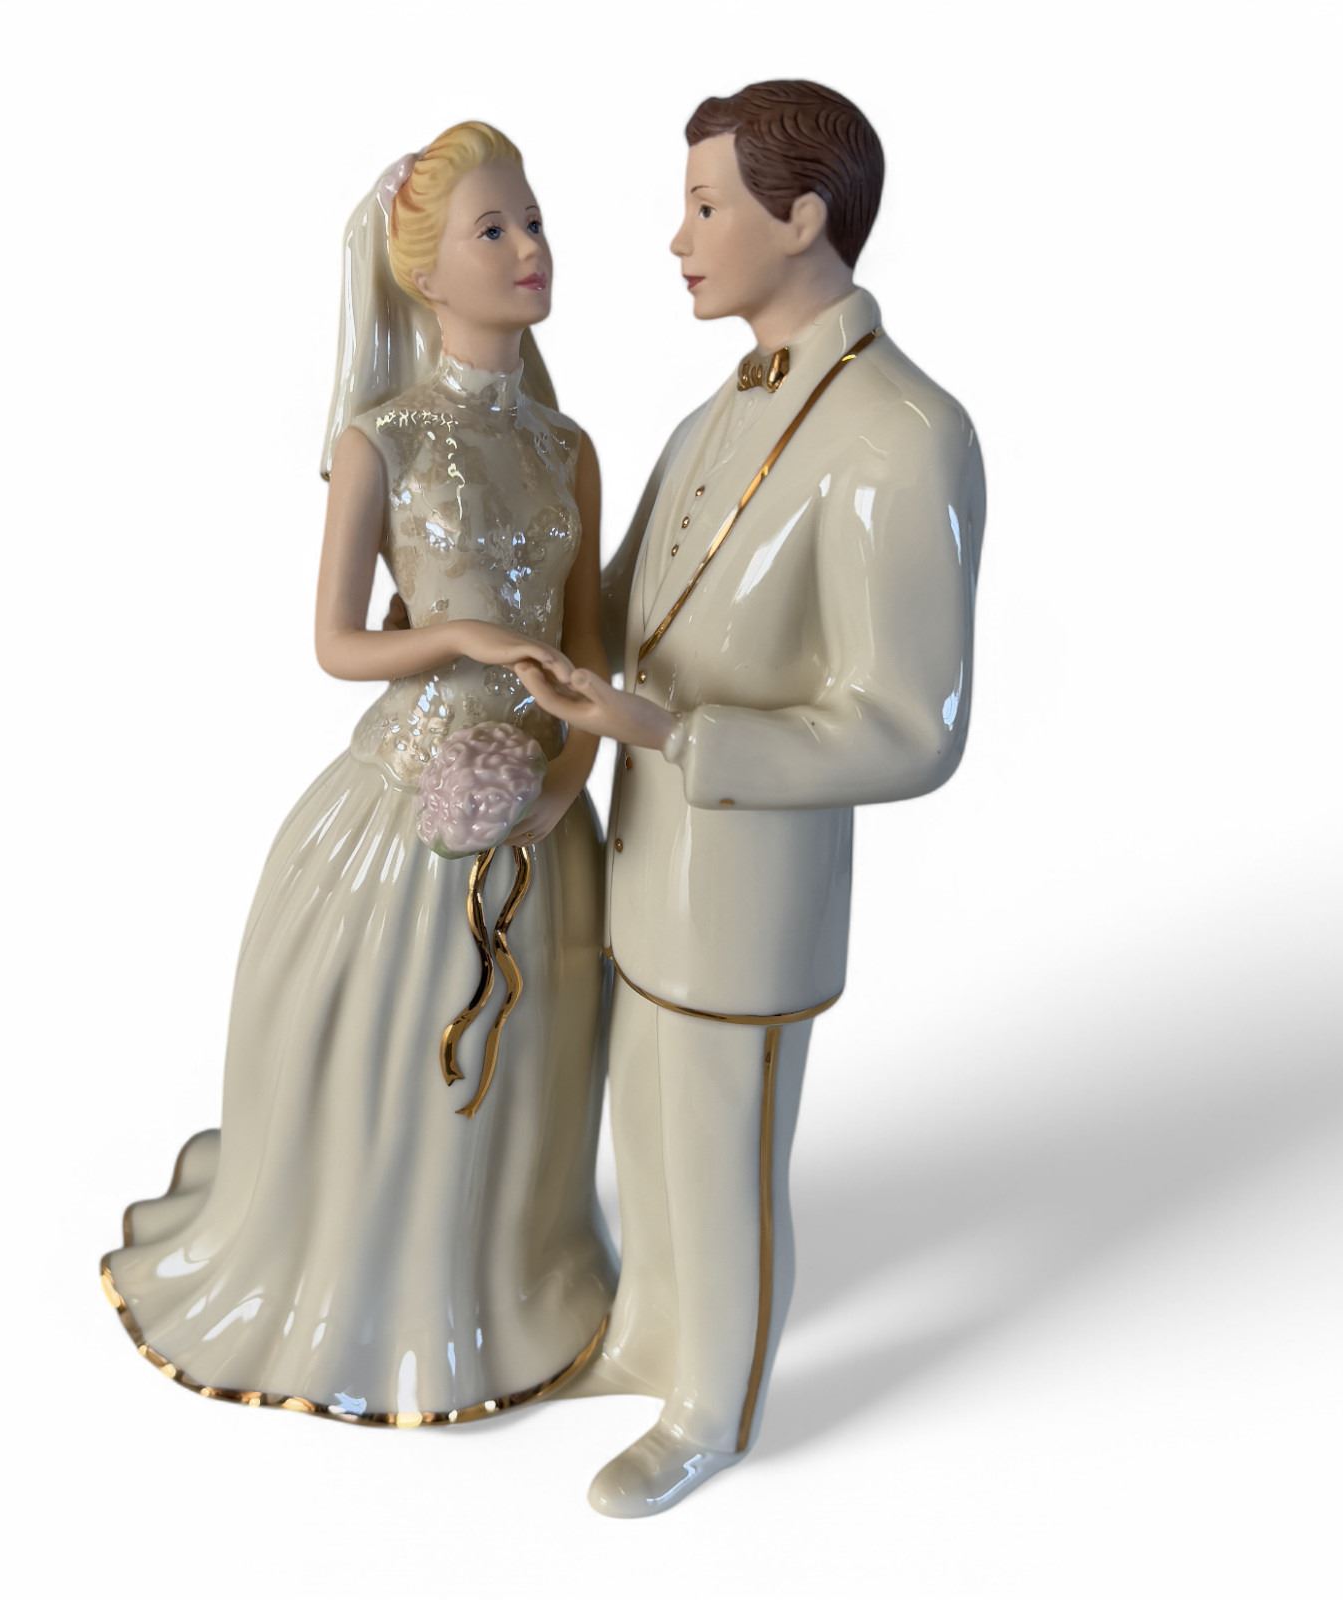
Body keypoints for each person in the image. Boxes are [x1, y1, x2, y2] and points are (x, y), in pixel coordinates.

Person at [99, 121, 615, 1426]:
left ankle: (510, 1281)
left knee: (527, 1074)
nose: (530, 247)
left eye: (534, 221)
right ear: (423, 273)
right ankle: (366, 1291)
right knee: (394, 1060)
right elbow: (337, 644)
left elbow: (593, 651)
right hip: (408, 792)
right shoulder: (381, 443)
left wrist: (567, 777)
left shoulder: (569, 448)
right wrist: (462, 640)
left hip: (543, 814)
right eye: (494, 229)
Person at [519, 80, 987, 1514]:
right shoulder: (718, 405)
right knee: (647, 1119)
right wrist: (489, 604)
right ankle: (649, 1336)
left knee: (723, 1147)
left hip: (754, 889)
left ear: (802, 218)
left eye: (706, 205)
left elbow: (913, 728)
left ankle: (713, 1407)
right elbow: (624, 606)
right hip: (643, 859)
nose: (678, 239)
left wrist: (674, 734)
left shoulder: (904, 433)